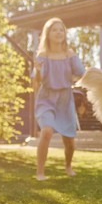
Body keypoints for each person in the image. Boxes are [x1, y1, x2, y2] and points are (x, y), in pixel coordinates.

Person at [32, 18, 85, 181]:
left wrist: (74, 57)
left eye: (61, 30)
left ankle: (68, 165)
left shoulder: (69, 54)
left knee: (69, 142)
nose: (58, 33)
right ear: (48, 34)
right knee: (46, 132)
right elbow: (37, 82)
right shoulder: (43, 55)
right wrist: (38, 70)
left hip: (65, 100)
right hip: (46, 98)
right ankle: (40, 172)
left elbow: (81, 72)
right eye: (54, 30)